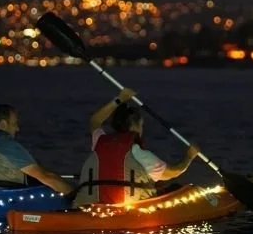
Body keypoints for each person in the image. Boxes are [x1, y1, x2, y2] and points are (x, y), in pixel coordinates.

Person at [72, 89, 201, 207]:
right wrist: (189, 156)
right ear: (135, 126)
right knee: (175, 188)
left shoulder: (99, 141)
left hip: (94, 206)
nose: (142, 129)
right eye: (141, 125)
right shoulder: (141, 155)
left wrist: (120, 99)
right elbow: (174, 171)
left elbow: (95, 120)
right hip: (129, 210)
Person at [0, 104, 74, 194]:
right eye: (15, 124)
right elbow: (46, 177)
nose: (17, 129)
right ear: (3, 124)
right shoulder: (4, 142)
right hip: (2, 199)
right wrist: (73, 196)